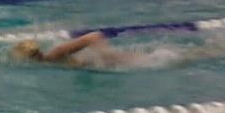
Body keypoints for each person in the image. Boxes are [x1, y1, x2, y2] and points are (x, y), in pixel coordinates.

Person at [9, 31, 144, 69]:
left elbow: (94, 35)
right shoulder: (49, 63)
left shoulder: (55, 54)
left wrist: (104, 53)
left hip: (114, 61)